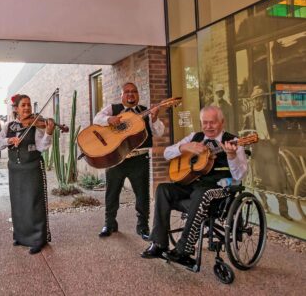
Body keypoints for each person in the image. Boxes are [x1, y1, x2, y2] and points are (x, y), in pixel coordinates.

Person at [141, 106, 248, 265]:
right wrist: (183, 147)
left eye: (212, 122)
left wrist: (231, 155)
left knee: (202, 194)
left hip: (219, 187)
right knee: (163, 189)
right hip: (193, 184)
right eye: (204, 123)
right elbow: (166, 153)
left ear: (222, 122)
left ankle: (184, 249)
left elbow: (240, 176)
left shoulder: (234, 141)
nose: (208, 126)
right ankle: (158, 244)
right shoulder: (194, 136)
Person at [93, 82, 165, 240]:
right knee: (112, 193)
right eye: (127, 92)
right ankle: (109, 223)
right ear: (122, 95)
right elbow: (96, 119)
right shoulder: (113, 108)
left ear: (138, 95)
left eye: (134, 91)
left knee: (142, 195)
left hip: (139, 159)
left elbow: (159, 132)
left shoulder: (144, 111)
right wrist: (109, 119)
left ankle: (143, 227)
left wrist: (155, 117)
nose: (131, 94)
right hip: (116, 159)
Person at [0, 94, 54, 254]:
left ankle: (37, 239)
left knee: (34, 203)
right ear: (16, 109)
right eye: (23, 105)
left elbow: (42, 147)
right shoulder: (9, 126)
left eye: (29, 105)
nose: (27, 108)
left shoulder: (36, 125)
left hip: (32, 168)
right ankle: (21, 236)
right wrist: (9, 141)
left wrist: (48, 132)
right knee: (18, 203)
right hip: (15, 169)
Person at [241, 86, 292, 220]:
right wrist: (248, 142)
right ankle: (264, 204)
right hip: (257, 151)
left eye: (261, 98)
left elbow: (284, 127)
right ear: (252, 101)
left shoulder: (269, 114)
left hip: (269, 148)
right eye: (256, 99)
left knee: (277, 181)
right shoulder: (247, 117)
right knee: (259, 181)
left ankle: (284, 211)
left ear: (263, 100)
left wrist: (277, 139)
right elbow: (242, 137)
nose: (259, 101)